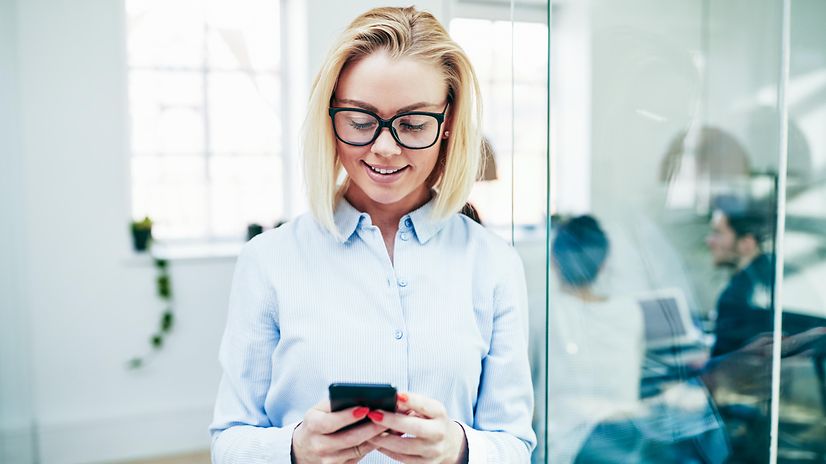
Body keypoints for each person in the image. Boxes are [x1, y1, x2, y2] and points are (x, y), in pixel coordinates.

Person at [209, 7, 536, 464]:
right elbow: (228, 440)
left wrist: (459, 448)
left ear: (446, 125)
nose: (384, 147)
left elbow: (515, 442)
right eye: (361, 122)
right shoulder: (268, 260)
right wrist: (295, 449)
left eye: (413, 124)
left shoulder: (494, 264)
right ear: (330, 119)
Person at [546, 215, 645, 463]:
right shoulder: (630, 312)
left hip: (566, 449)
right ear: (603, 264)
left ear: (554, 261)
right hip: (625, 444)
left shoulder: (545, 312)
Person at [705, 195, 775, 357]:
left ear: (746, 243)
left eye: (718, 233)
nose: (709, 240)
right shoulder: (775, 272)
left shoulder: (734, 298)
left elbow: (718, 368)